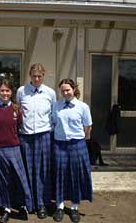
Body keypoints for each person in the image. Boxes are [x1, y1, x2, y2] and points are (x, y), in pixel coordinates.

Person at [0, 79, 32, 223]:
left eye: (7, 91)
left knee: (10, 180)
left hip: (12, 149)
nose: (5, 93)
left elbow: (18, 127)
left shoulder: (17, 109)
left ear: (12, 92)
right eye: (2, 90)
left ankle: (8, 208)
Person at [16, 62, 56, 218]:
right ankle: (28, 203)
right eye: (34, 76)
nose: (37, 79)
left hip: (43, 135)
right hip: (25, 136)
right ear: (30, 76)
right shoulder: (22, 91)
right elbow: (18, 112)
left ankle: (42, 204)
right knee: (27, 169)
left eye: (39, 76)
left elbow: (53, 115)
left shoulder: (50, 93)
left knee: (42, 171)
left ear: (43, 76)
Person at [52, 78, 93, 223]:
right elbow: (54, 123)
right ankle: (60, 206)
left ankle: (74, 207)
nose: (65, 93)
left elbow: (88, 126)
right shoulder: (56, 106)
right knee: (60, 175)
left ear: (74, 89)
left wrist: (82, 140)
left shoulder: (83, 107)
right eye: (62, 90)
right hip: (60, 145)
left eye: (67, 90)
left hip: (77, 145)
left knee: (76, 176)